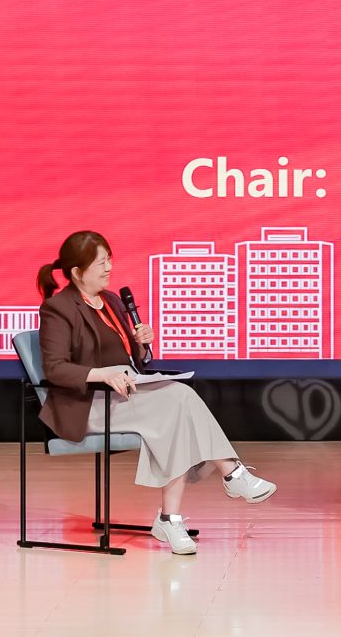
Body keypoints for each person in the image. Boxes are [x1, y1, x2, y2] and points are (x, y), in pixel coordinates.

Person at [35, 230, 275, 555]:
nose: (109, 268)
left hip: (124, 395)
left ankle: (172, 517)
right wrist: (102, 374)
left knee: (177, 406)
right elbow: (55, 368)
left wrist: (141, 345)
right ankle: (230, 474)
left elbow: (133, 360)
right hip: (85, 404)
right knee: (178, 400)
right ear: (77, 271)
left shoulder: (112, 302)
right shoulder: (58, 308)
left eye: (109, 260)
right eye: (101, 263)